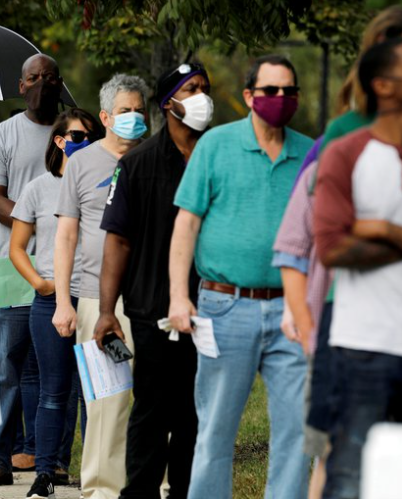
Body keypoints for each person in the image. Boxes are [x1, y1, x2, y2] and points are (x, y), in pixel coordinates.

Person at [168, 55, 313, 499]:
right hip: (224, 306)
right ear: (249, 96)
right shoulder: (216, 146)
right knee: (215, 428)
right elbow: (186, 225)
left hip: (292, 308)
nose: (280, 99)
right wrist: (178, 296)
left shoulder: (310, 152)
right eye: (270, 91)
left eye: (289, 91)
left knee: (297, 431)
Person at [94, 64, 213, 499]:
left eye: (204, 88)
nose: (202, 96)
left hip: (212, 308)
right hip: (152, 310)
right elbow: (117, 241)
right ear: (169, 103)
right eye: (191, 89)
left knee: (196, 414)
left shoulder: (217, 156)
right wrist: (108, 311)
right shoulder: (139, 164)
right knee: (151, 411)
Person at [0, 54, 65, 486]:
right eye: (33, 78)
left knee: (61, 368)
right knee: (6, 363)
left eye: (49, 77)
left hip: (67, 270)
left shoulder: (76, 133)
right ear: (21, 85)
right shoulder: (0, 136)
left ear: (59, 84)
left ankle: (56, 458)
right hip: (12, 265)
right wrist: (44, 224)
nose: (41, 84)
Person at [314, 37, 402, 499]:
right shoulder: (346, 153)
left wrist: (380, 230)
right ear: (382, 85)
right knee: (350, 476)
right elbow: (331, 247)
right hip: (365, 345)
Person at [53, 73, 148, 499]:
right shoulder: (83, 163)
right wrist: (63, 302)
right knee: (106, 401)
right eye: (125, 111)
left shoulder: (156, 158)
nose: (133, 118)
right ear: (106, 116)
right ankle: (102, 489)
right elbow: (66, 235)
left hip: (151, 297)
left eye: (139, 110)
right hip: (96, 301)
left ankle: (154, 484)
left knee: (153, 398)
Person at [10, 108, 101, 498]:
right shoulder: (38, 188)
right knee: (53, 390)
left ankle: (96, 474)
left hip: (97, 298)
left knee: (95, 393)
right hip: (52, 302)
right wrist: (41, 285)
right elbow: (16, 247)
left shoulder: (106, 184)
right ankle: (45, 473)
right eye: (77, 136)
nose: (85, 142)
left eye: (91, 136)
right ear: (60, 141)